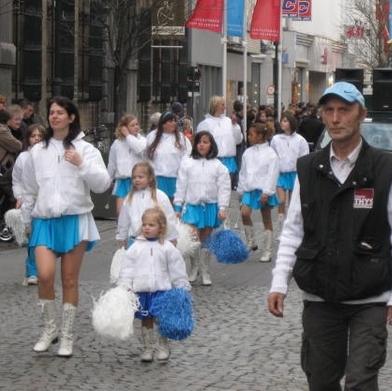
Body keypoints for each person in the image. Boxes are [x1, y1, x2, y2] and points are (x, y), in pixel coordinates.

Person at [268, 81, 392, 389]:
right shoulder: (308, 168)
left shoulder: (387, 168)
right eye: (329, 111)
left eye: (344, 111)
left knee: (361, 380)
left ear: (360, 115)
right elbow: (294, 230)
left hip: (370, 295)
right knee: (321, 381)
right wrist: (279, 282)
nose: (336, 118)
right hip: (320, 294)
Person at [20, 96, 110, 357]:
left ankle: (68, 336)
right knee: (45, 275)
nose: (55, 116)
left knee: (69, 279)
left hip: (75, 218)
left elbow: (102, 184)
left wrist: (81, 164)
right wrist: (27, 219)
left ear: (71, 117)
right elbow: (28, 188)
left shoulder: (87, 150)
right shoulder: (37, 152)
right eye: (51, 112)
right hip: (45, 220)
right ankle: (50, 329)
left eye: (60, 112)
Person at [117, 207, 191, 362]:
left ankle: (163, 345)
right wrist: (125, 284)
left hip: (162, 290)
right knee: (146, 319)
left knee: (160, 318)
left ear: (161, 228)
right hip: (142, 290)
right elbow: (128, 268)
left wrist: (181, 285)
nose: (146, 228)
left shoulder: (167, 248)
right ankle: (147, 347)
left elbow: (176, 268)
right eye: (144, 224)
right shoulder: (135, 247)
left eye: (151, 225)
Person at [174, 131, 231, 285]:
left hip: (210, 206)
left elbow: (224, 187)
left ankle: (205, 270)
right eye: (199, 142)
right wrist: (178, 205)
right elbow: (181, 185)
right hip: (192, 206)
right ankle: (194, 267)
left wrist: (223, 206)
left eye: (205, 142)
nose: (202, 145)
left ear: (211, 144)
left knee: (205, 238)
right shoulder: (188, 163)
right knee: (193, 236)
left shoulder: (218, 166)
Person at [237, 121, 280, 262]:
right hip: (250, 189)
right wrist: (241, 189)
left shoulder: (271, 154)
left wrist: (267, 192)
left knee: (266, 218)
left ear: (260, 136)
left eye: (251, 134)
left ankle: (267, 250)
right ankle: (251, 240)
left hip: (263, 190)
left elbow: (272, 174)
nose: (248, 137)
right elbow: (243, 172)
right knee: (244, 213)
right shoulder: (247, 153)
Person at [11, 123, 46, 286]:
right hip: (29, 200)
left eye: (40, 136)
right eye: (34, 136)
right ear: (28, 139)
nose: (37, 139)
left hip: (45, 201)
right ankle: (32, 270)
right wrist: (19, 196)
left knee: (41, 238)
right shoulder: (23, 158)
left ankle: (40, 268)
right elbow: (16, 180)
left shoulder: (48, 156)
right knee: (31, 235)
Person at [116, 162, 178, 249]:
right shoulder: (129, 198)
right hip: (134, 242)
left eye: (140, 177)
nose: (137, 180)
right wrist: (122, 238)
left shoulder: (160, 196)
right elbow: (124, 220)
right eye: (134, 177)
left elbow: (169, 218)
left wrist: (172, 238)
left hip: (156, 243)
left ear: (150, 178)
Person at [270, 112, 309, 233]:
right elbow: (272, 156)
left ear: (291, 123)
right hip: (280, 174)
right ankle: (281, 226)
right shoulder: (276, 139)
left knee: (293, 203)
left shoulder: (300, 140)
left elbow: (304, 157)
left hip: (295, 174)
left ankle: (291, 227)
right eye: (282, 120)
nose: (282, 123)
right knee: (281, 200)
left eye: (285, 121)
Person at [196, 96, 243, 187]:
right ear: (215, 106)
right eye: (222, 104)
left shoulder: (228, 121)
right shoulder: (205, 123)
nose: (224, 107)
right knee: (212, 188)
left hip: (228, 160)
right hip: (212, 159)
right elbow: (200, 142)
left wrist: (235, 126)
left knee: (226, 188)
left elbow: (238, 140)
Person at [146, 111, 192, 201]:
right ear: (163, 124)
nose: (173, 123)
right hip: (158, 177)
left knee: (174, 202)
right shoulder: (152, 137)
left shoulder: (181, 138)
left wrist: (183, 167)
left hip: (175, 177)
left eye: (175, 121)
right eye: (170, 121)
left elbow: (188, 154)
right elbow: (146, 155)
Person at [107, 114, 147, 216]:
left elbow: (139, 149)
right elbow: (112, 163)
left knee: (136, 209)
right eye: (132, 125)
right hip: (122, 180)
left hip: (137, 180)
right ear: (124, 127)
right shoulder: (117, 143)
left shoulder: (142, 140)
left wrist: (128, 136)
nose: (136, 127)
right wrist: (108, 179)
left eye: (137, 124)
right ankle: (121, 230)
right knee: (120, 211)